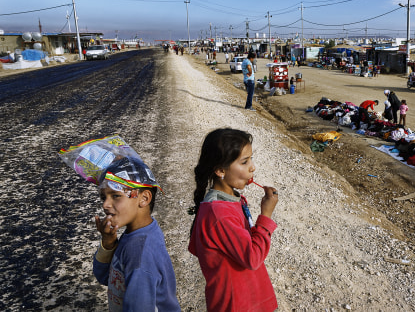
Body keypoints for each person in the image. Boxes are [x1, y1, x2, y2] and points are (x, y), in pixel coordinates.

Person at [188, 128, 279, 312]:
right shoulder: (218, 213)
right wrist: (266, 216)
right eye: (244, 162)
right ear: (221, 170)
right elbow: (253, 258)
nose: (252, 167)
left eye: (251, 158)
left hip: (248, 299)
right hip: (237, 304)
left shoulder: (228, 201)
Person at [93, 157, 180, 311]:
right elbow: (107, 277)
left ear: (144, 198)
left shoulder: (139, 252)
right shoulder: (139, 233)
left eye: (115, 195)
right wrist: (108, 243)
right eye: (103, 197)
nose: (105, 204)